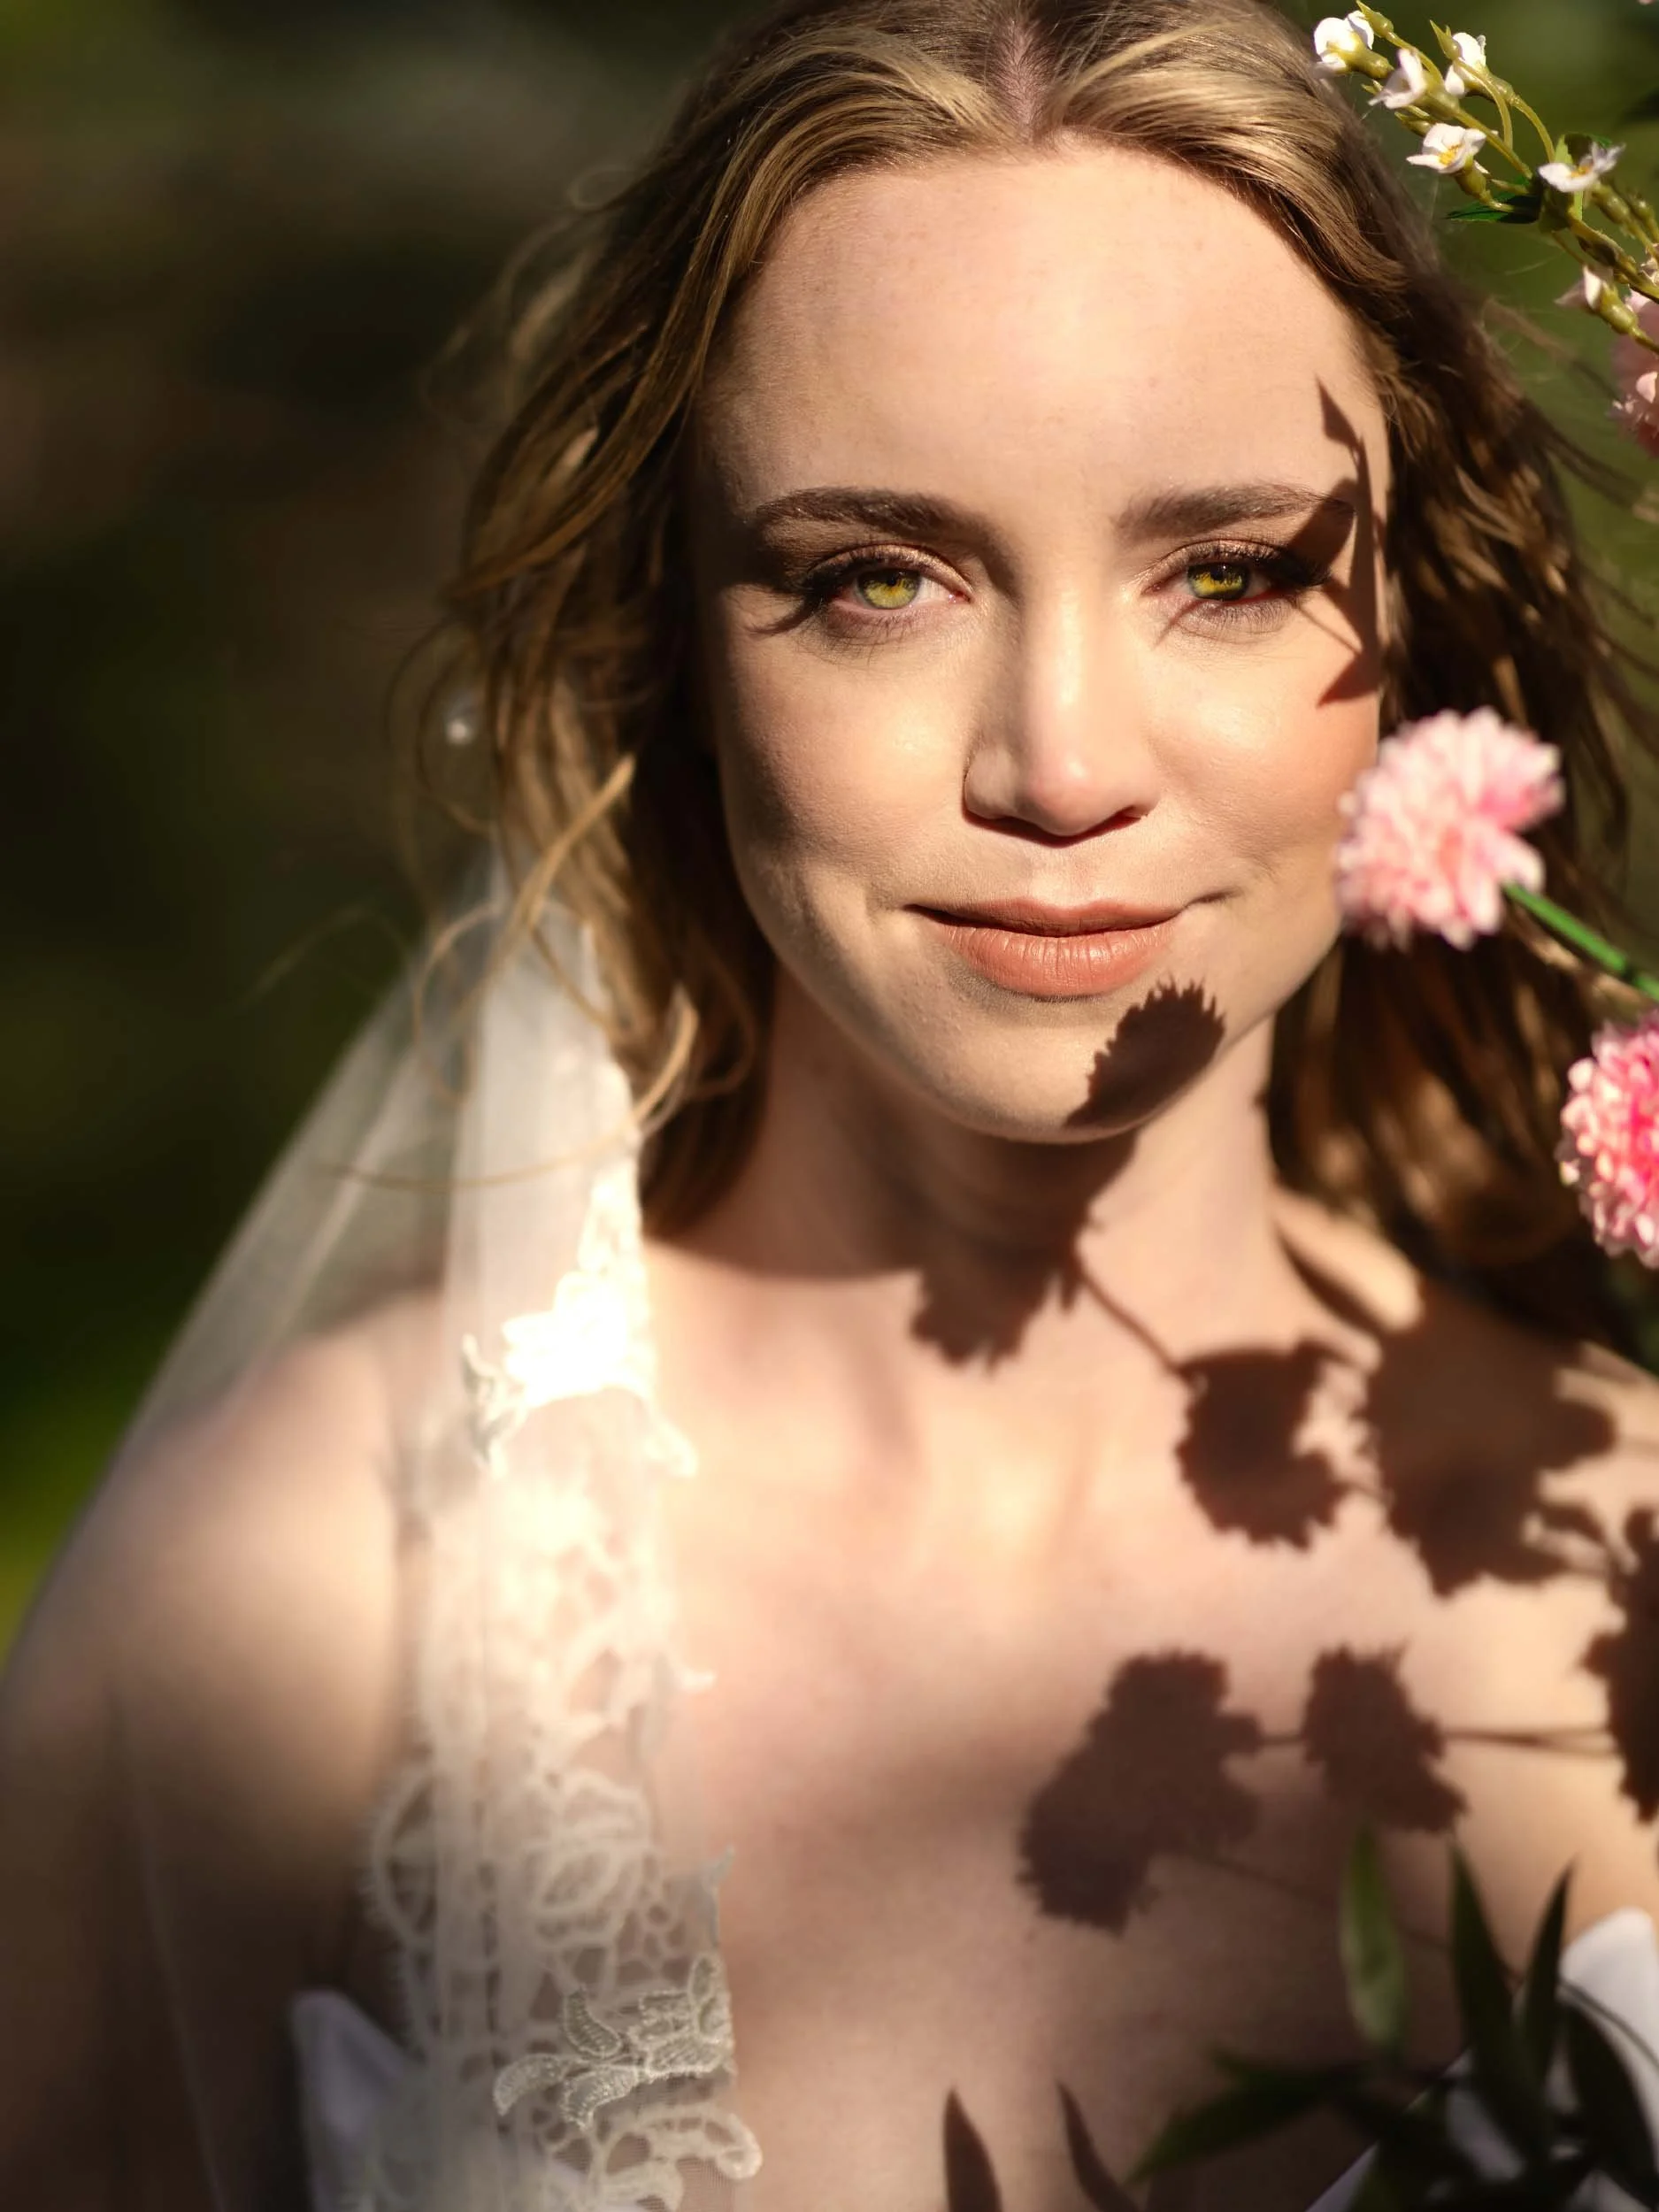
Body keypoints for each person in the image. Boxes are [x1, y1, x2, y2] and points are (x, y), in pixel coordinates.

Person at [5, 1, 1659, 2207]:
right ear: (685, 643)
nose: (1061, 765)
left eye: (1232, 570)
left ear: (1419, 619)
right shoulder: (296, 1616)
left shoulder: (1621, 1579)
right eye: (875, 577)